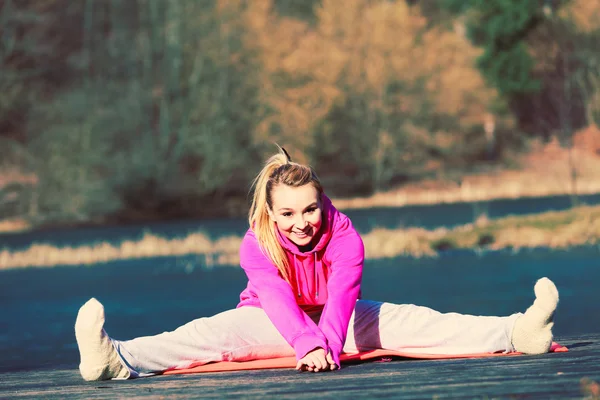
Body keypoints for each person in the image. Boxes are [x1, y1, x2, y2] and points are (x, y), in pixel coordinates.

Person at [74, 147, 559, 381]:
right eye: (288, 213)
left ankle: (518, 333)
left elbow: (344, 297)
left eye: (310, 210)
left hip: (336, 321)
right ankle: (118, 357)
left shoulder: (346, 236)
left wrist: (325, 343)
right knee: (208, 335)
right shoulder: (255, 242)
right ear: (270, 212)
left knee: (413, 319)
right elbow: (278, 301)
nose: (302, 223)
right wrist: (307, 344)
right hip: (270, 320)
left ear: (322, 202)